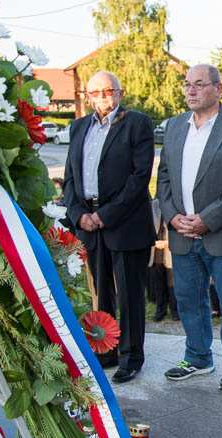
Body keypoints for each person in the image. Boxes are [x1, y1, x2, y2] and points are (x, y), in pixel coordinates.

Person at [157, 64, 222, 390]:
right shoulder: (175, 125)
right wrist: (173, 216)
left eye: (199, 84)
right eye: (187, 84)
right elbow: (164, 177)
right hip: (182, 232)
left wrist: (207, 220)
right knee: (189, 300)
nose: (191, 90)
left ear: (218, 88)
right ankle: (198, 357)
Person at [62, 71, 156, 383]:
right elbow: (70, 178)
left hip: (125, 222)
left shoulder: (137, 123)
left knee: (129, 296)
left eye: (108, 91)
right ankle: (106, 351)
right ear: (87, 97)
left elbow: (140, 176)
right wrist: (79, 214)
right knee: (100, 295)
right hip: (88, 224)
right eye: (95, 92)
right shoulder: (78, 127)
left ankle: (130, 357)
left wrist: (106, 214)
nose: (102, 97)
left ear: (120, 93)